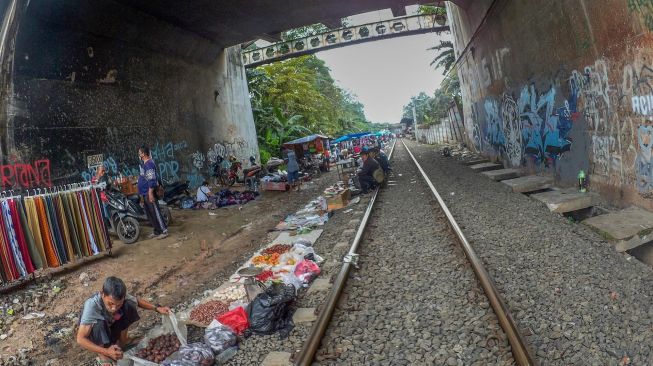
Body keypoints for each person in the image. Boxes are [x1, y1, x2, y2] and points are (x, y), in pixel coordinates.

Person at [76, 276, 170, 366]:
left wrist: (157, 308)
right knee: (98, 323)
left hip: (111, 326)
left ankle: (123, 341)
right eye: (110, 303)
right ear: (102, 294)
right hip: (98, 332)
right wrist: (106, 351)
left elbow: (137, 301)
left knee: (129, 305)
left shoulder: (120, 297)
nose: (113, 308)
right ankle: (103, 354)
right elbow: (80, 339)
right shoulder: (92, 305)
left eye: (118, 305)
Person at [138, 146, 168, 239]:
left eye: (139, 153)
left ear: (143, 154)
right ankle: (157, 231)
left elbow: (152, 180)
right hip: (144, 193)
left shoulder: (149, 164)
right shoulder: (144, 164)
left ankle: (163, 231)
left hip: (149, 192)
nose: (138, 154)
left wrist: (150, 193)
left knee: (155, 211)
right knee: (150, 214)